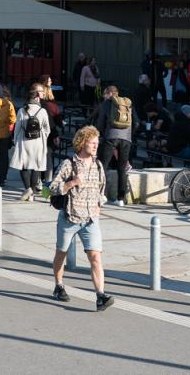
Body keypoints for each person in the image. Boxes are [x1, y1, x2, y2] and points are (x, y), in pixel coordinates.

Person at [50, 125, 113, 312]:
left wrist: (99, 205)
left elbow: (102, 189)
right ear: (82, 142)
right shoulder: (69, 164)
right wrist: (71, 183)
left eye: (97, 143)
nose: (95, 146)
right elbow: (52, 188)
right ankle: (58, 285)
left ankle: (100, 295)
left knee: (95, 257)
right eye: (92, 143)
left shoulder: (98, 165)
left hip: (91, 220)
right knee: (61, 253)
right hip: (70, 217)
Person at [10, 84, 51, 201]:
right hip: (38, 142)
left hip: (24, 141)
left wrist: (15, 140)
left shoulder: (22, 111)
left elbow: (17, 128)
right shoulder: (42, 111)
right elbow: (47, 129)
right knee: (36, 167)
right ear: (36, 98)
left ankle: (28, 189)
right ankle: (31, 194)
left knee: (23, 166)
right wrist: (42, 136)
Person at [96, 84, 133, 206]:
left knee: (102, 166)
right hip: (126, 139)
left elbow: (100, 122)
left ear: (110, 93)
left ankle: (100, 195)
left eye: (105, 94)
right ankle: (120, 199)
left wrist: (100, 133)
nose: (104, 96)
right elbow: (136, 122)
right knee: (121, 168)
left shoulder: (107, 104)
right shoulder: (127, 103)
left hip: (111, 137)